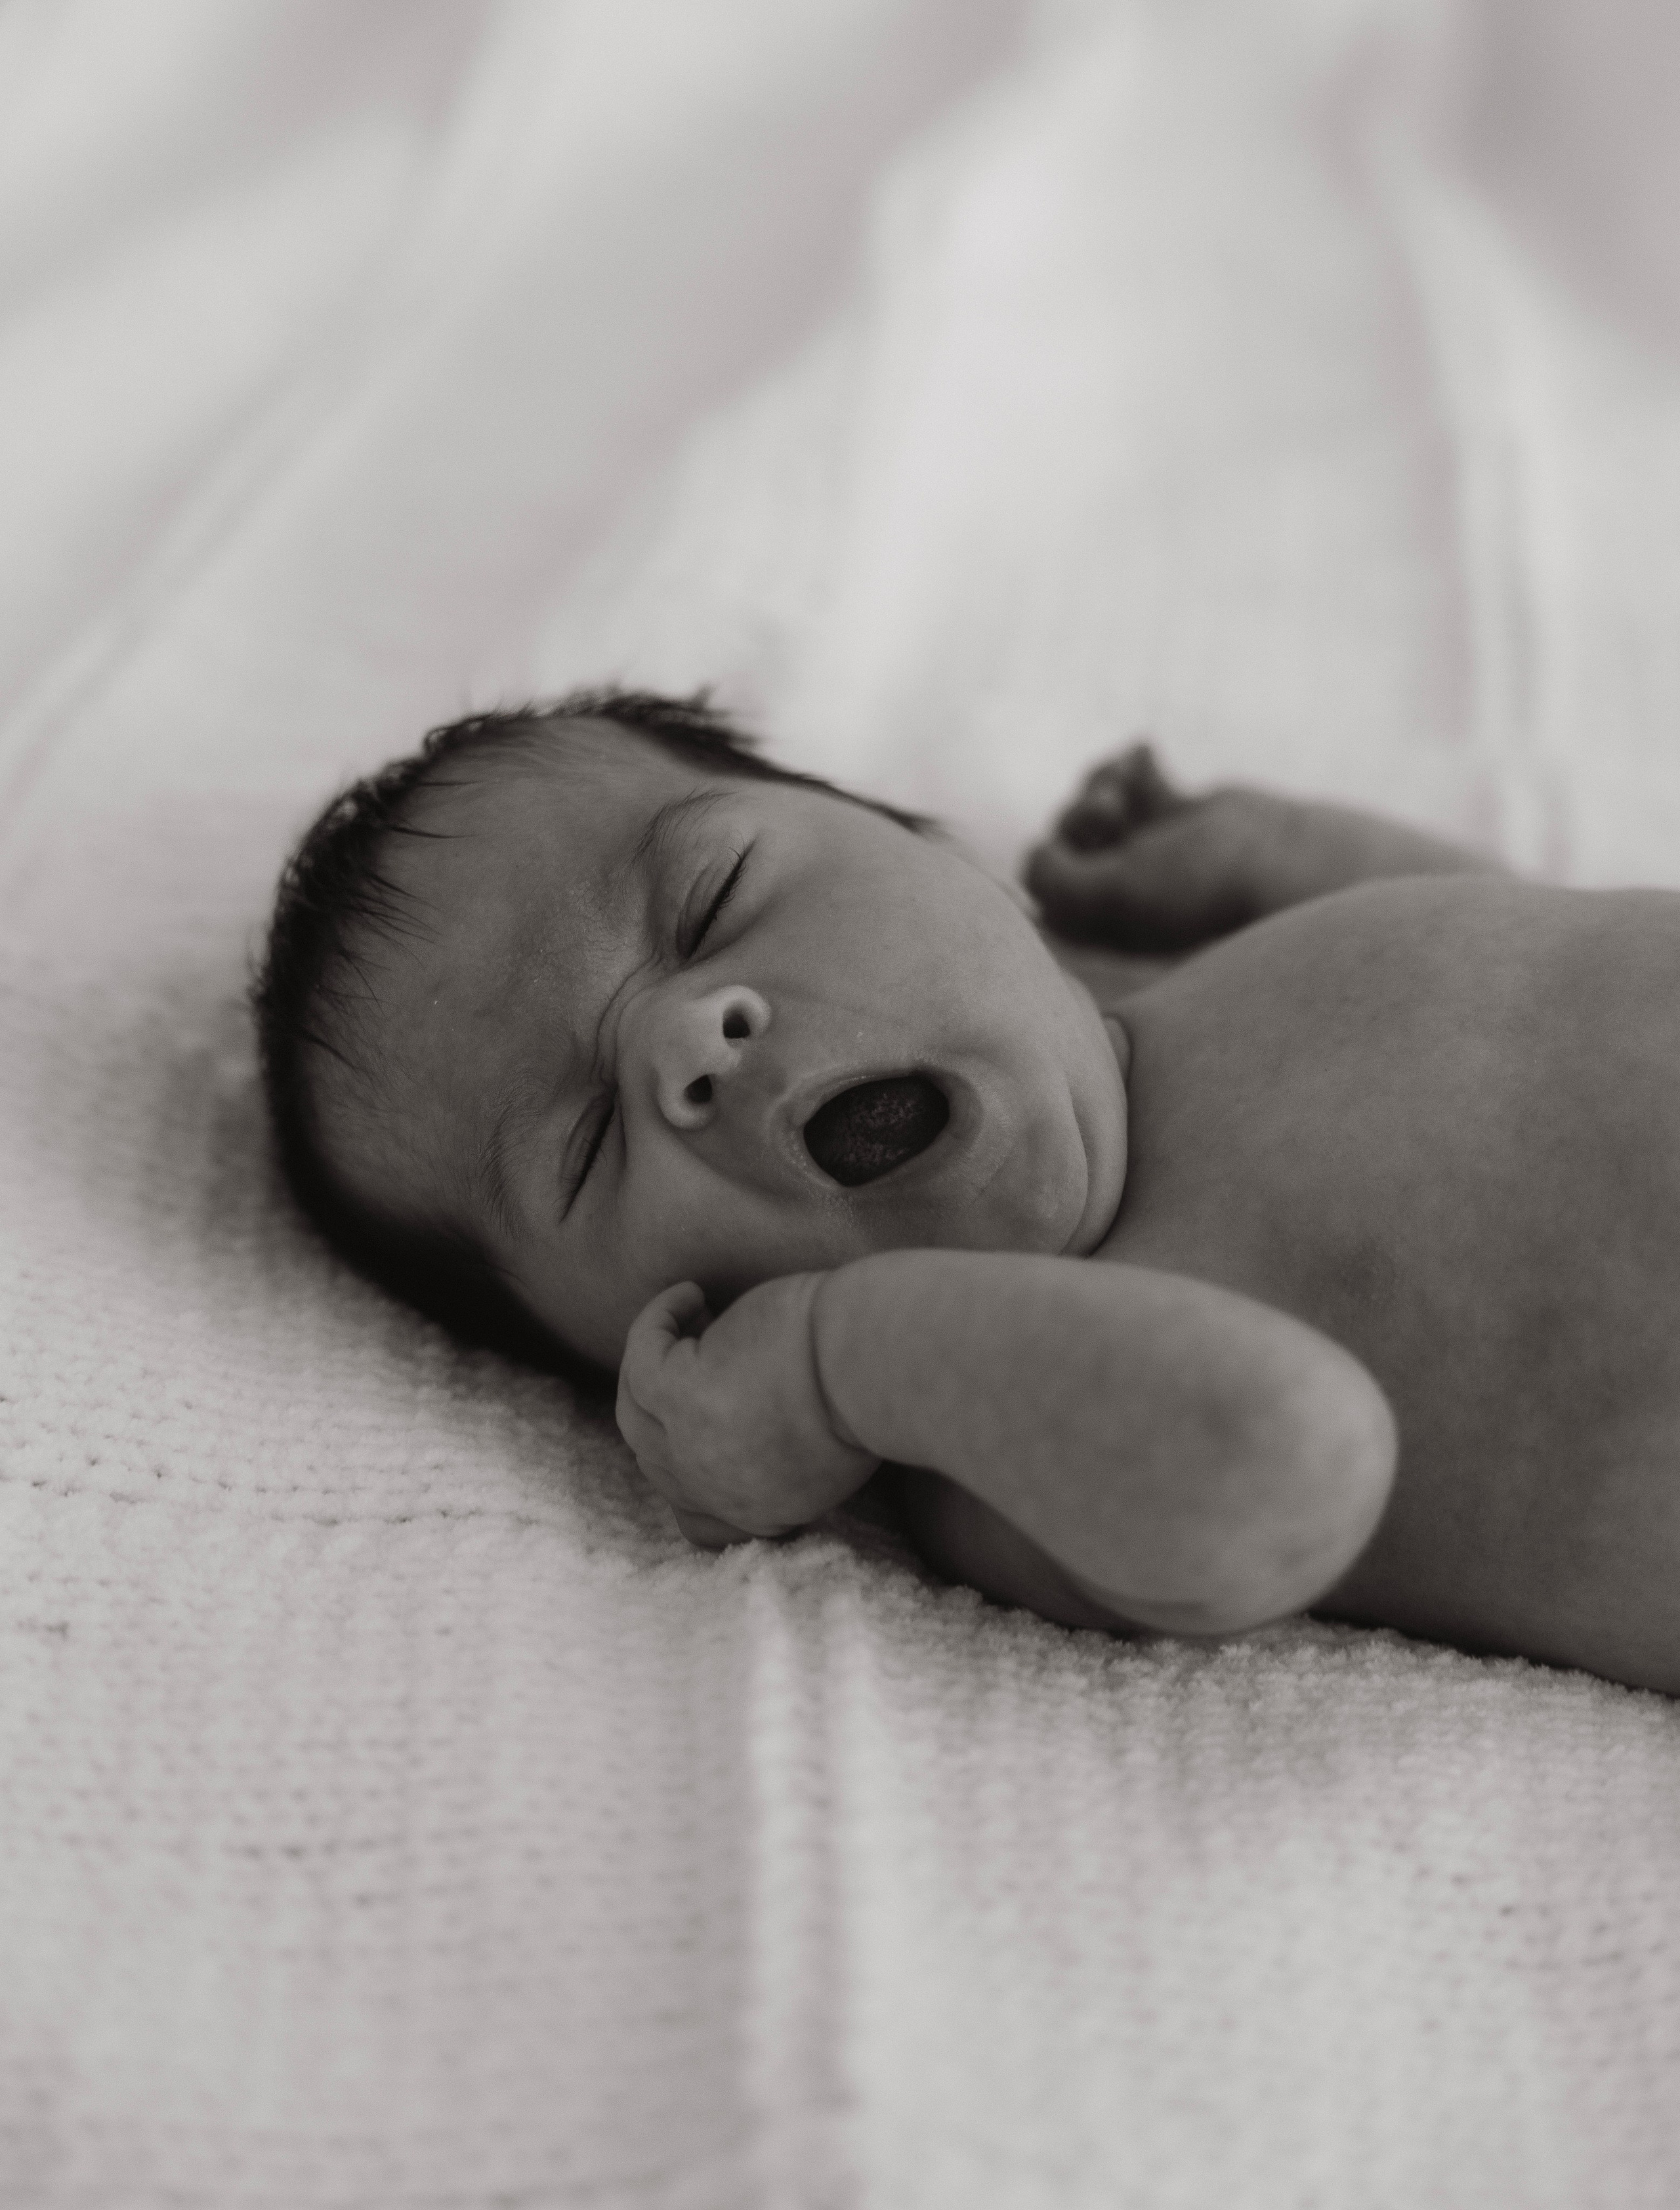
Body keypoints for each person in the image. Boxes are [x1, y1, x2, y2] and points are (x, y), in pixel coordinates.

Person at [256, 689, 1680, 1695]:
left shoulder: (1236, 976)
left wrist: (1294, 854)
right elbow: (1286, 1452)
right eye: (581, 1149)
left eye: (711, 898)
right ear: (645, 1345)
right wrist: (829, 1372)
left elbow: (1519, 954)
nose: (685, 1042)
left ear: (953, 862)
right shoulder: (995, 1450)